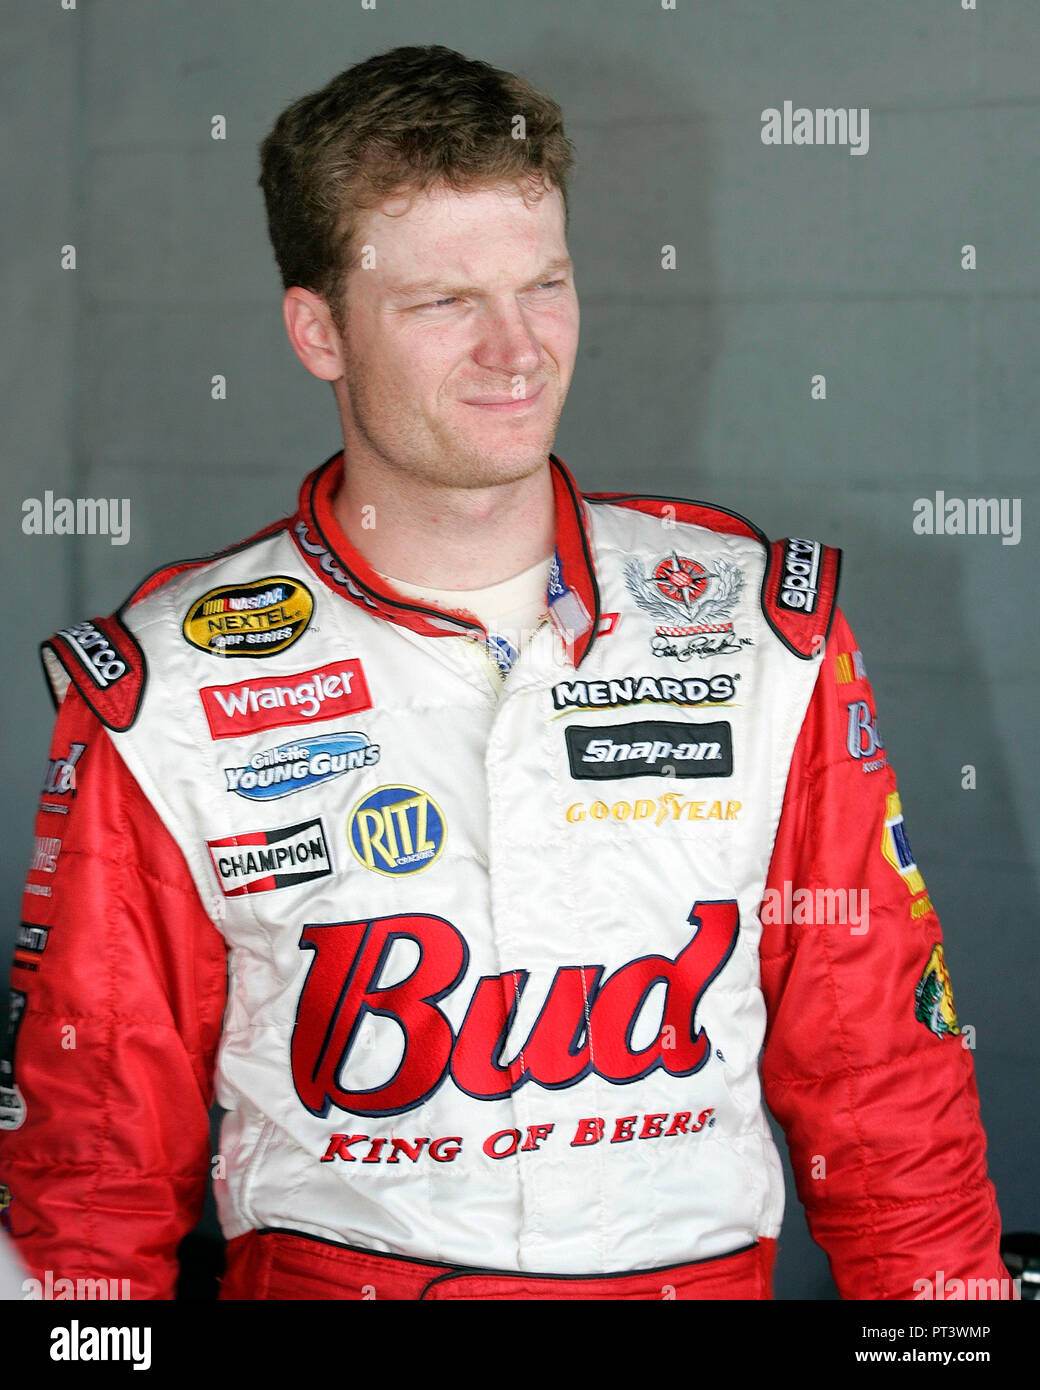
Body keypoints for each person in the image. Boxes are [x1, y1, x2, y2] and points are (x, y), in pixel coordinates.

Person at [0, 45, 1009, 1301]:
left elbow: (882, 1092)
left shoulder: (761, 631)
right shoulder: (162, 689)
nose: (516, 349)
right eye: (442, 303)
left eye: (546, 284)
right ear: (317, 330)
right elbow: (87, 1191)